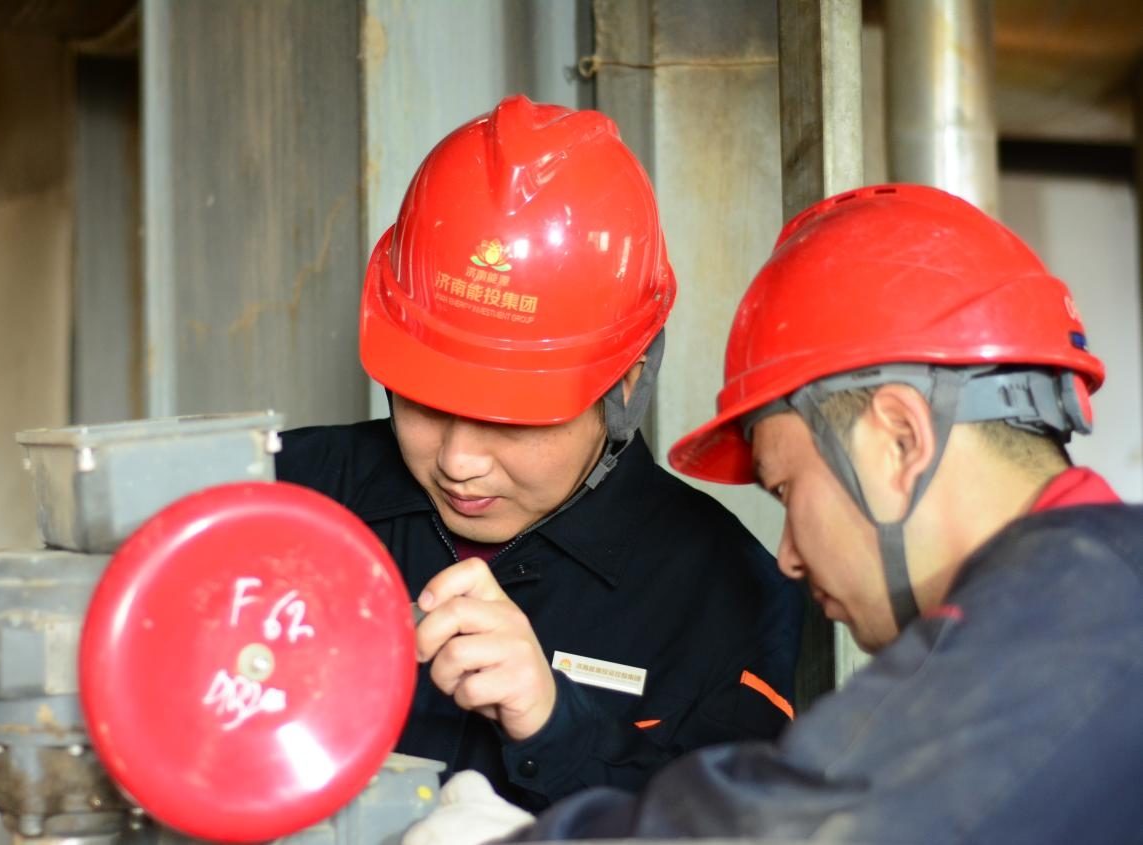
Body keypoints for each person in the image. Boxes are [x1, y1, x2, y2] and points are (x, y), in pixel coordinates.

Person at [404, 183, 1143, 844]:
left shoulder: (1057, 634)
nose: (788, 556)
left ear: (900, 438)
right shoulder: (1090, 600)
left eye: (786, 489)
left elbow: (800, 822)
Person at [274, 95, 802, 811]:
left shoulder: (724, 595)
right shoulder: (285, 498)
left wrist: (557, 727)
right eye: (424, 402)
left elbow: (742, 827)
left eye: (513, 419)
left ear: (627, 384)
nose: (458, 461)